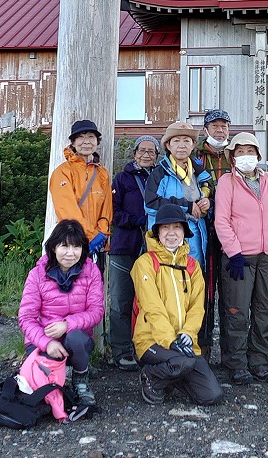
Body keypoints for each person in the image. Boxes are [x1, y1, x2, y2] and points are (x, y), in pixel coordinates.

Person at [214, 132, 268, 384]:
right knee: (237, 310)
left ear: (258, 155)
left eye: (250, 151)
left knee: (263, 311)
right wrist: (233, 252)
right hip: (239, 257)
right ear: (233, 157)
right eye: (240, 152)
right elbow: (222, 221)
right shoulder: (227, 182)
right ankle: (235, 362)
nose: (246, 156)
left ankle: (259, 361)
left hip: (267, 254)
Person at [132, 204, 225, 407]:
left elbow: (197, 308)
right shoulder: (145, 263)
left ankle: (173, 377)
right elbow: (152, 307)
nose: (171, 233)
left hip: (183, 343)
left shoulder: (193, 266)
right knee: (183, 362)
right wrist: (171, 341)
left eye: (177, 227)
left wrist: (188, 334)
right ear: (157, 232)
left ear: (184, 231)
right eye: (165, 227)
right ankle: (151, 376)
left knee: (211, 395)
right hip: (151, 341)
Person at [17, 220, 105, 406]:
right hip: (43, 340)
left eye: (76, 246)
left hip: (76, 339)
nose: (70, 253)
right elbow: (26, 318)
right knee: (45, 396)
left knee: (77, 338)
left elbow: (96, 311)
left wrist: (67, 325)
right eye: (64, 246)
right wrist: (46, 343)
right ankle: (53, 381)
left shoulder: (91, 271)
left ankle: (81, 380)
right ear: (53, 247)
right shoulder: (37, 274)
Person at [107, 135, 160, 371]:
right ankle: (121, 349)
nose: (146, 155)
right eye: (142, 150)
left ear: (157, 156)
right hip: (124, 246)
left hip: (152, 248)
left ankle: (146, 346)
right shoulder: (122, 179)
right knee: (121, 299)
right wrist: (136, 220)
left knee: (150, 299)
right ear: (134, 153)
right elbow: (113, 212)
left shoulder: (161, 177)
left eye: (151, 151)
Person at [145, 121, 213, 271]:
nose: (182, 145)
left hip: (196, 235)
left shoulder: (199, 173)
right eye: (176, 141)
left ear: (193, 145)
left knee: (193, 275)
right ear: (168, 145)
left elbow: (210, 194)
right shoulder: (159, 173)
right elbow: (150, 204)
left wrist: (208, 203)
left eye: (186, 141)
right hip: (167, 237)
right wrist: (187, 206)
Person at [197, 109, 235, 361]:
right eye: (215, 126)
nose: (220, 130)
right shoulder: (196, 156)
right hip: (205, 229)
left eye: (224, 126)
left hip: (234, 230)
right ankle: (204, 347)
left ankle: (231, 352)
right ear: (206, 129)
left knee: (232, 292)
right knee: (205, 290)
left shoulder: (237, 155)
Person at [49, 119, 113, 264]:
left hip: (97, 244)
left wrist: (102, 233)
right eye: (81, 137)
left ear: (97, 141)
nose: (86, 141)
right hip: (72, 242)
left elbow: (107, 209)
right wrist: (91, 235)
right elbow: (66, 210)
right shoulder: (62, 172)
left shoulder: (102, 173)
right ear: (73, 142)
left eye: (91, 137)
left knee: (95, 278)